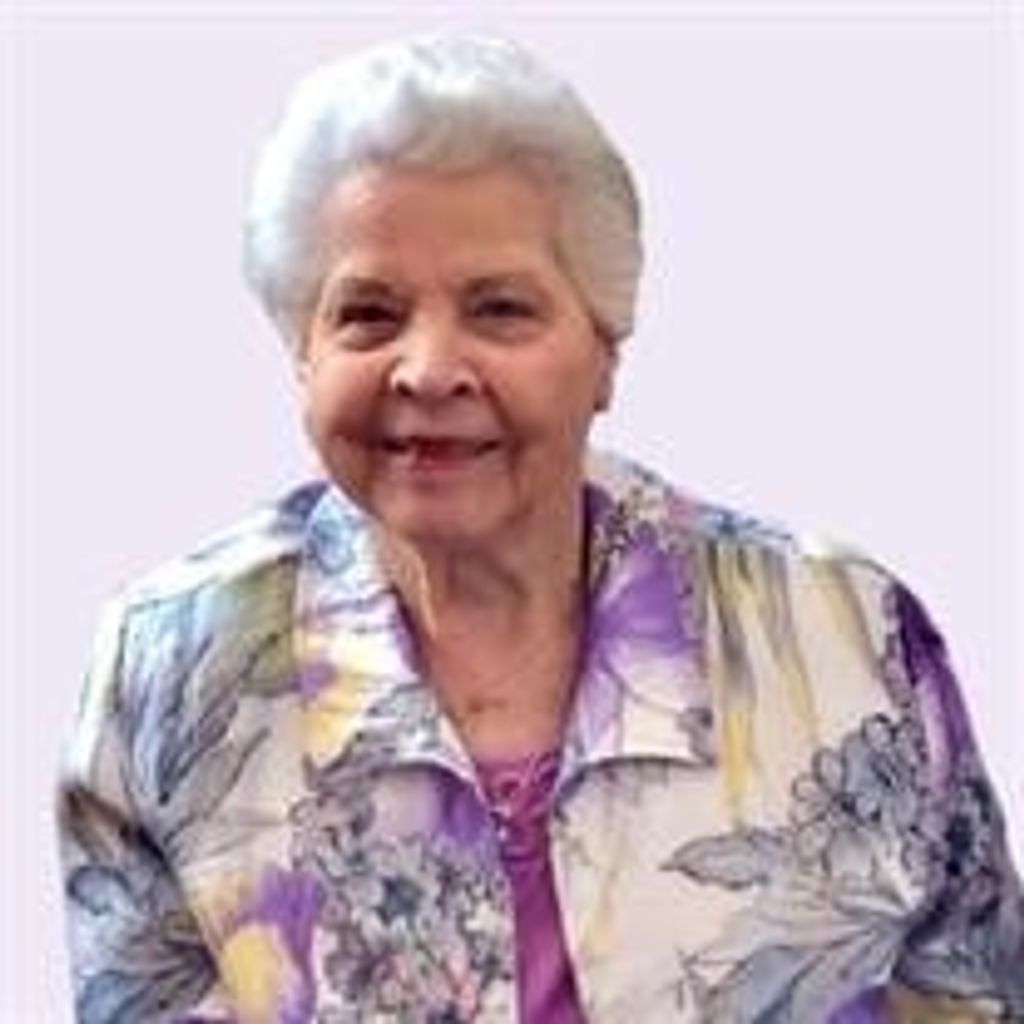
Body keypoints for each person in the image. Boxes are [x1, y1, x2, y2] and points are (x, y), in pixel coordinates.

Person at [58, 34, 1022, 1024]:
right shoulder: (170, 670)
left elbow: (972, 998)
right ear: (303, 352)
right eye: (369, 314)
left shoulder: (840, 634)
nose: (429, 369)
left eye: (501, 309)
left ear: (604, 351)